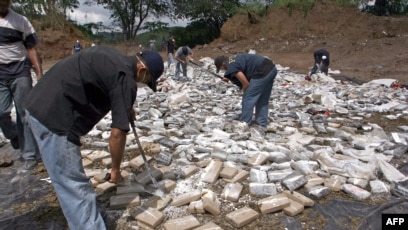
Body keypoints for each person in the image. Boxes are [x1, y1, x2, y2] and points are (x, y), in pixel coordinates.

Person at [24, 46, 164, 229]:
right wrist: (115, 169)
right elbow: (117, 133)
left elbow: (104, 82)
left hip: (39, 103)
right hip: (54, 117)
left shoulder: (115, 58)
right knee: (73, 185)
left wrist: (124, 104)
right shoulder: (126, 79)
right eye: (146, 81)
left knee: (69, 181)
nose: (143, 84)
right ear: (142, 70)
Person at [0, 0, 43, 169]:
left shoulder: (21, 21)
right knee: (1, 112)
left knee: (25, 114)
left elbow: (31, 49)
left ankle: (30, 154)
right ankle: (13, 135)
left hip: (20, 71)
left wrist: (39, 73)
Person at [214, 54, 277, 128]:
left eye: (221, 68)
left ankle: (245, 123)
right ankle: (262, 124)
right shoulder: (231, 59)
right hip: (271, 69)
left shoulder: (230, 65)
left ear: (223, 64)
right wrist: (228, 77)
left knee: (248, 98)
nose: (223, 70)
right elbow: (238, 69)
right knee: (262, 99)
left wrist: (244, 91)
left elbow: (246, 83)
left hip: (261, 72)